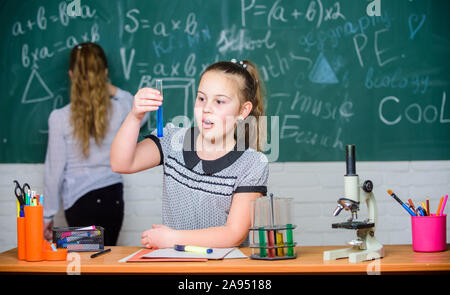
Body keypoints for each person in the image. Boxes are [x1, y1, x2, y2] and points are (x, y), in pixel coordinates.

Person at [110, 59, 269, 248]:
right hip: (176, 266)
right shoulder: (172, 140)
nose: (206, 108)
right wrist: (135, 116)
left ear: (243, 111)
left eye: (219, 101)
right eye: (201, 98)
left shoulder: (252, 163)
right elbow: (121, 163)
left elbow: (233, 234)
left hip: (224, 269)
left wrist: (171, 239)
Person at [43, 42, 146, 246]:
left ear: (71, 74)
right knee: (105, 262)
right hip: (112, 199)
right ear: (105, 73)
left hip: (79, 204)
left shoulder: (60, 117)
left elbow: (54, 172)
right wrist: (104, 84)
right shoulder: (119, 110)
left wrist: (47, 215)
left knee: (85, 263)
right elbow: (141, 114)